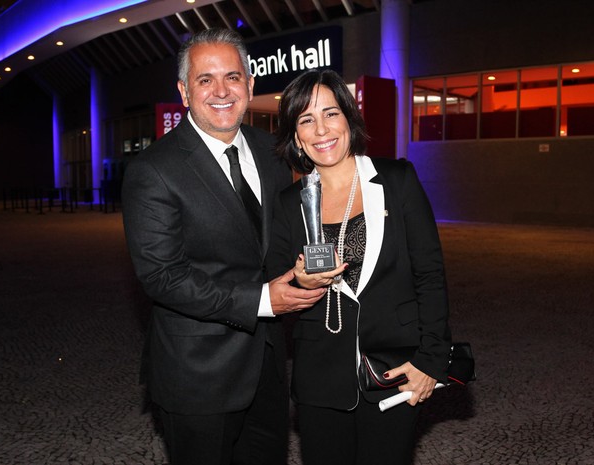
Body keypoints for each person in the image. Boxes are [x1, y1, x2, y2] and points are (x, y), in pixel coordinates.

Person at [121, 29, 326, 465]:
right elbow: (162, 276)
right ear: (183, 91)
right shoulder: (153, 170)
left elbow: (270, 242)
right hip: (198, 375)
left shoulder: (270, 152)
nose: (220, 91)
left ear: (250, 85)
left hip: (268, 366)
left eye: (232, 77)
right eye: (205, 79)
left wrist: (304, 267)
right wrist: (263, 300)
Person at [265, 69, 453, 465]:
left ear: (349, 118)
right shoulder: (287, 203)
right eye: (306, 120)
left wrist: (431, 362)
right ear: (296, 136)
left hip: (395, 369)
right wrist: (300, 281)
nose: (321, 130)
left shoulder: (397, 180)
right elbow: (277, 287)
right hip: (321, 378)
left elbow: (430, 275)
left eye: (330, 114)